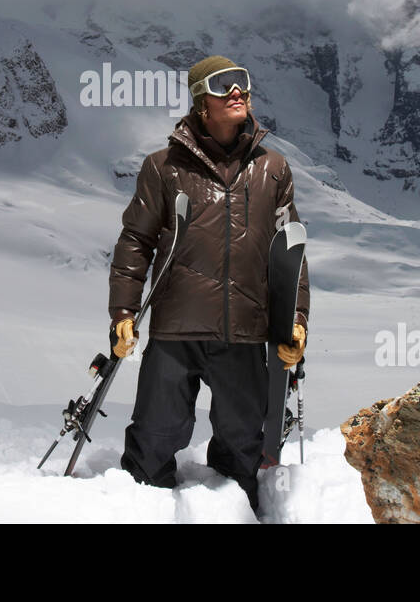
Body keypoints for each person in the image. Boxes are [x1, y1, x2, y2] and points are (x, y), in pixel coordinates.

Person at [107, 55, 310, 512]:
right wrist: (123, 312)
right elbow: (135, 240)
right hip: (175, 328)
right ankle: (145, 512)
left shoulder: (272, 169)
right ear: (202, 102)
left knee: (242, 440)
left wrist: (296, 320)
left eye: (243, 80)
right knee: (157, 433)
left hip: (244, 331)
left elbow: (290, 253)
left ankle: (237, 513)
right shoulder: (163, 167)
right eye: (224, 84)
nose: (237, 90)